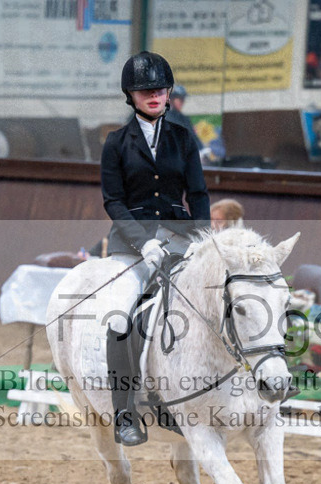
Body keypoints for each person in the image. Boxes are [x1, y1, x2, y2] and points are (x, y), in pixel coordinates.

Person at [100, 51, 210, 446]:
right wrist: (142, 242)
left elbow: (197, 194)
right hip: (133, 245)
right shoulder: (116, 143)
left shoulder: (183, 138)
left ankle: (170, 403)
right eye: (146, 90)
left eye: (161, 90)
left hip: (180, 238)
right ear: (130, 95)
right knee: (121, 318)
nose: (155, 96)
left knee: (196, 309)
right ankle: (125, 412)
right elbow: (113, 201)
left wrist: (203, 241)